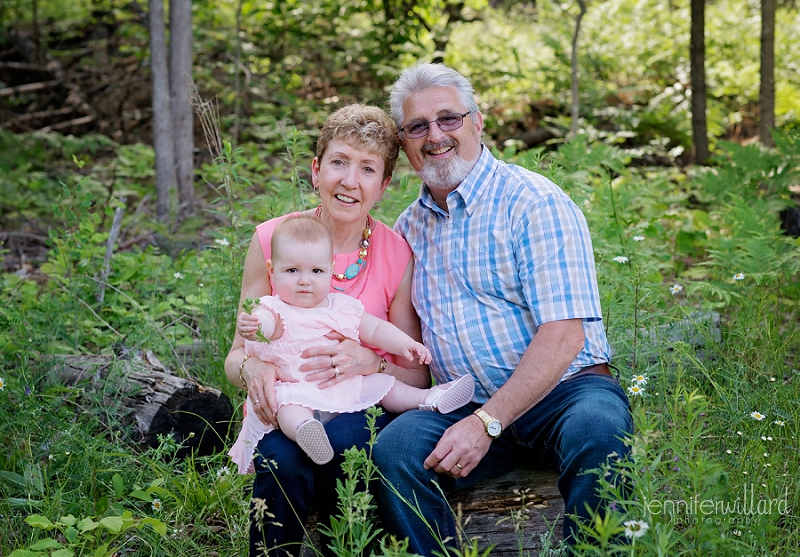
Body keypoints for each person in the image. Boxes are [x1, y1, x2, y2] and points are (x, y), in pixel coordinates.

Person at [372, 62, 633, 553]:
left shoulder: (533, 202)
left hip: (565, 393)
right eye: (417, 127)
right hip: (462, 400)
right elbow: (410, 361)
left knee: (599, 428)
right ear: (403, 142)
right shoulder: (406, 232)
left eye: (449, 118)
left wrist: (487, 422)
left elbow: (565, 336)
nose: (435, 136)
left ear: (477, 122)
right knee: (396, 448)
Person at [224, 104, 433, 557]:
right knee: (283, 459)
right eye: (339, 162)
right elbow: (236, 354)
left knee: (345, 446)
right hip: (288, 407)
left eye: (367, 169)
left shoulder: (397, 255)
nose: (349, 180)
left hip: (355, 408)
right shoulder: (272, 240)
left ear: (383, 186)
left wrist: (371, 360)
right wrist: (252, 368)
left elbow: (416, 376)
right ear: (317, 170)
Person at [229, 216, 475, 471]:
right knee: (288, 406)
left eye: (316, 271)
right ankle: (306, 431)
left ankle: (429, 398)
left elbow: (375, 329)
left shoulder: (340, 307)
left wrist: (404, 345)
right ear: (272, 270)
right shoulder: (275, 308)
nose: (305, 280)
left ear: (330, 268)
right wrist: (255, 325)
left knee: (385, 385)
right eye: (292, 271)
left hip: (343, 387)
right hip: (297, 387)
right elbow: (266, 323)